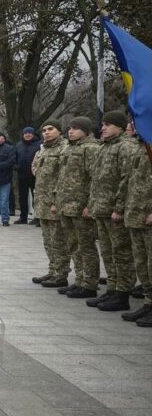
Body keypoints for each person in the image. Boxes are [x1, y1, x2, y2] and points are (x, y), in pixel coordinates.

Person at [85, 111, 138, 311]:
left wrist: (119, 208)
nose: (103, 128)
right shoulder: (105, 147)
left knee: (122, 253)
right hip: (101, 209)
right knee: (108, 252)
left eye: (108, 124)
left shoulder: (125, 147)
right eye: (103, 124)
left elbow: (126, 180)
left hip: (115, 212)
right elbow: (96, 180)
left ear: (120, 126)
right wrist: (92, 204)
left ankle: (123, 293)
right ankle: (113, 289)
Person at [54, 116, 102, 299]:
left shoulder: (91, 148)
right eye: (70, 128)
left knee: (86, 245)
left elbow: (94, 179)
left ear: (86, 130)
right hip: (66, 205)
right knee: (73, 244)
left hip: (81, 206)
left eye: (75, 128)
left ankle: (90, 282)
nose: (70, 131)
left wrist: (90, 204)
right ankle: (80, 279)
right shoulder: (69, 148)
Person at [30, 119, 72, 289]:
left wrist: (56, 201)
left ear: (59, 131)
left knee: (58, 240)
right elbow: (34, 168)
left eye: (50, 129)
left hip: (54, 202)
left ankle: (61, 274)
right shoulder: (43, 149)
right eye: (44, 130)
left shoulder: (64, 148)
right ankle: (53, 270)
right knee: (48, 240)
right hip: (42, 201)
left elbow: (64, 177)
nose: (46, 132)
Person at [120, 120, 152, 326]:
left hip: (148, 215)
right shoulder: (141, 149)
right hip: (135, 213)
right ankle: (148, 303)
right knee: (142, 263)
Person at [15, 127, 41, 225]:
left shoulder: (39, 144)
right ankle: (23, 217)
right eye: (26, 133)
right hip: (22, 175)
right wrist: (16, 166)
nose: (27, 135)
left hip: (35, 175)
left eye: (30, 133)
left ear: (33, 134)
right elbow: (14, 158)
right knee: (22, 197)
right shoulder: (19, 145)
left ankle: (38, 218)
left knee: (37, 197)